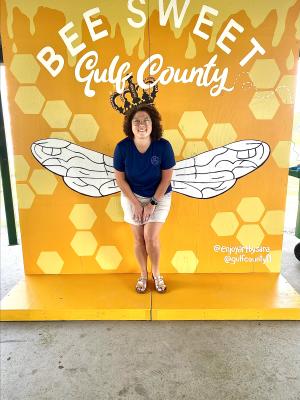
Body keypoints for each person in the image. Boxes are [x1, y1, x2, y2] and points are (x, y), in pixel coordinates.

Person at [113, 104, 176, 293]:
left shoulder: (163, 146)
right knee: (139, 238)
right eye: (136, 121)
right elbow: (120, 180)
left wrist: (151, 204)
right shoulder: (122, 148)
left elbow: (166, 178)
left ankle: (156, 274)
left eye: (146, 120)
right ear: (130, 126)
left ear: (153, 124)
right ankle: (143, 275)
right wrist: (136, 204)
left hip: (159, 195)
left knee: (150, 236)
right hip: (132, 195)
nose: (141, 125)